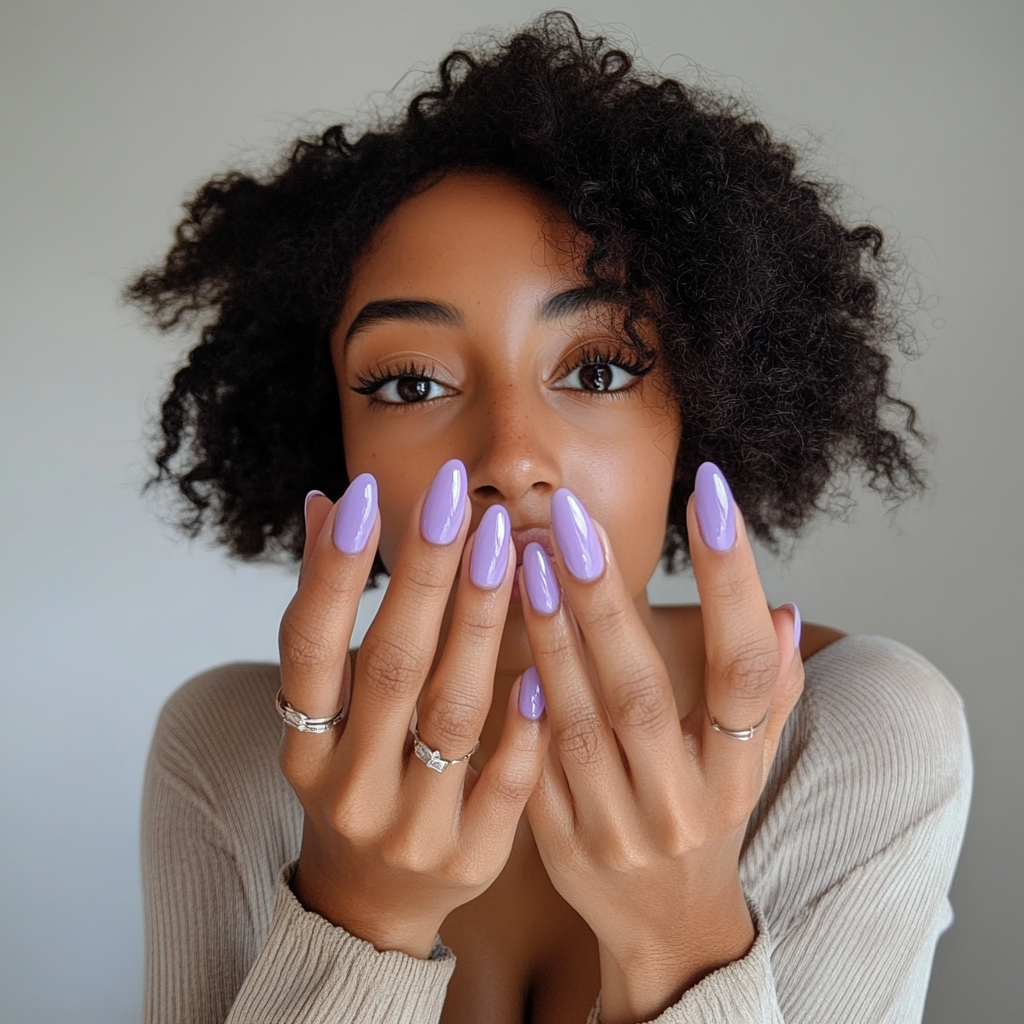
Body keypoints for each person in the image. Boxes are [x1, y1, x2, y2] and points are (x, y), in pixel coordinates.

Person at [128, 14, 971, 1024]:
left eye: (599, 369)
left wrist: (682, 943)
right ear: (330, 433)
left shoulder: (859, 734)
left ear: (698, 409)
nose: (509, 456)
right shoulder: (225, 750)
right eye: (407, 383)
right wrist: (354, 917)